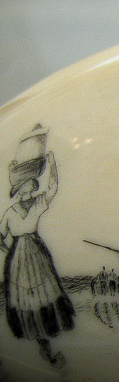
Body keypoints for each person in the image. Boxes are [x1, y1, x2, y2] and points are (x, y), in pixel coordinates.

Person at [0, 151, 74, 366]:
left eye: (31, 183)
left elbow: (53, 188)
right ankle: (44, 349)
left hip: (36, 256)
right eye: (27, 184)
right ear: (20, 188)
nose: (31, 186)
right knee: (27, 301)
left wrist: (52, 164)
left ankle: (48, 348)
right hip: (18, 261)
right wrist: (9, 251)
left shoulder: (37, 203)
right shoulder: (10, 212)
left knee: (45, 298)